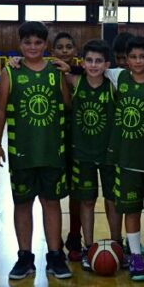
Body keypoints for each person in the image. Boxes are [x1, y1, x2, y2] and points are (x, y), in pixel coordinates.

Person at [0, 21, 72, 281]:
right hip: (22, 151)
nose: (33, 47)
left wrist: (70, 75)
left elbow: (68, 105)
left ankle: (55, 256)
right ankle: (25, 256)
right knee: (22, 204)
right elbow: (0, 111)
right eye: (28, 42)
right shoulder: (10, 72)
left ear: (45, 44)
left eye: (38, 42)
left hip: (52, 151)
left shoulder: (56, 72)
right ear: (20, 44)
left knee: (51, 203)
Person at [105, 35, 144, 281]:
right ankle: (136, 255)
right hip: (126, 159)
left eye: (142, 57)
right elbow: (89, 67)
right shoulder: (119, 76)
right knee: (131, 211)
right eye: (133, 57)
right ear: (125, 60)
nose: (138, 61)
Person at [67, 40, 122, 271]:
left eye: (98, 61)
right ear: (82, 63)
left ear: (107, 64)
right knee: (87, 201)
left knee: (112, 201)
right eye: (89, 60)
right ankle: (88, 246)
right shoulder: (75, 81)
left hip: (109, 154)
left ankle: (118, 244)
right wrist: (17, 60)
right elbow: (48, 66)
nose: (93, 65)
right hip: (83, 153)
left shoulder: (113, 85)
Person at [52, 31, 85, 261]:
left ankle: (75, 236)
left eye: (68, 47)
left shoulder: (85, 72)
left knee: (77, 193)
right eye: (60, 47)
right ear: (52, 51)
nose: (64, 51)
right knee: (51, 194)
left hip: (78, 139)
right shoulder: (45, 72)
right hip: (52, 139)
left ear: (75, 50)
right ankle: (53, 242)